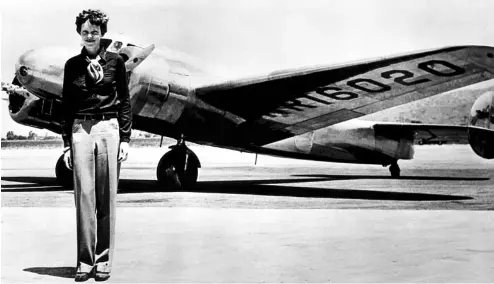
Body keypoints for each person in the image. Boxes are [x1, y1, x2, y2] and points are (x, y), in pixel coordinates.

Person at [61, 9, 132, 282]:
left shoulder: (116, 62)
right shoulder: (72, 66)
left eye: (94, 31)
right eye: (85, 31)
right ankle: (84, 261)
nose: (90, 36)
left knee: (106, 198)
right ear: (79, 34)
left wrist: (125, 139)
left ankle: (103, 261)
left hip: (108, 128)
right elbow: (66, 106)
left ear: (102, 33)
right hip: (81, 128)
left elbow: (124, 101)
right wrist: (67, 143)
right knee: (84, 198)